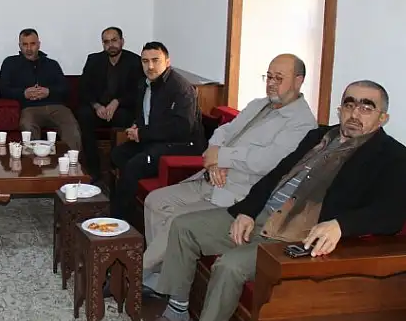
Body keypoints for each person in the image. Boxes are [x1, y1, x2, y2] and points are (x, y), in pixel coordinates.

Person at [151, 80, 406, 321]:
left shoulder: (392, 156)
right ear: (340, 109)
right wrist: (247, 211)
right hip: (264, 214)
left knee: (229, 266)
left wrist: (340, 225)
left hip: (298, 235)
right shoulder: (318, 135)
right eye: (349, 105)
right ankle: (177, 310)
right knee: (183, 227)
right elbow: (276, 175)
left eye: (366, 107)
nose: (355, 113)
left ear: (382, 118)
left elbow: (391, 214)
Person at [141, 54, 317, 296]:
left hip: (235, 191)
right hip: (210, 177)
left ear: (298, 81)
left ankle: (136, 274)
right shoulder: (258, 104)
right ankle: (161, 276)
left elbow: (267, 161)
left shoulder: (303, 124)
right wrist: (215, 158)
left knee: (175, 220)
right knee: (155, 201)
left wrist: (222, 157)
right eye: (268, 77)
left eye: (279, 78)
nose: (271, 83)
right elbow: (224, 131)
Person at [110, 42, 205, 220]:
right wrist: (136, 127)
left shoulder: (181, 88)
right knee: (118, 154)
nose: (150, 66)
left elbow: (182, 128)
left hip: (180, 145)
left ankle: (119, 220)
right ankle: (131, 207)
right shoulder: (144, 83)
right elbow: (144, 114)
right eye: (145, 61)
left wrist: (142, 134)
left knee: (134, 166)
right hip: (154, 140)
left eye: (156, 60)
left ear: (167, 62)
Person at [77, 27, 142, 181]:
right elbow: (83, 88)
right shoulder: (94, 60)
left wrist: (117, 101)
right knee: (84, 115)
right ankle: (93, 170)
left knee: (125, 117)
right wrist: (96, 105)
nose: (111, 45)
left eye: (114, 40)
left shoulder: (134, 61)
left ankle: (115, 167)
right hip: (98, 108)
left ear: (122, 41)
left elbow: (138, 91)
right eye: (106, 42)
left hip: (121, 108)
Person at [0, 28, 81, 150]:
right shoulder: (10, 63)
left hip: (56, 107)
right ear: (20, 46)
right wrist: (23, 93)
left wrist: (49, 92)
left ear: (38, 44)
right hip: (30, 108)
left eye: (32, 44)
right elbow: (3, 89)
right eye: (25, 44)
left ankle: (73, 159)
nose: (29, 48)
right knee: (27, 126)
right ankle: (32, 161)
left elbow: (65, 89)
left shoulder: (52, 64)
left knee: (72, 128)